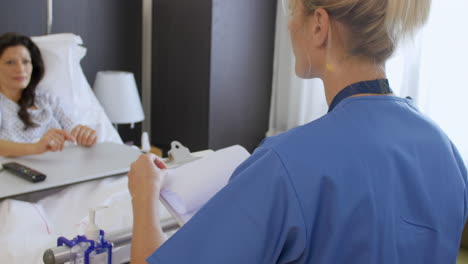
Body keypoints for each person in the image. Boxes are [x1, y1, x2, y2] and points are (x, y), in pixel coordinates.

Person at [128, 0, 468, 263]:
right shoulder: (445, 148)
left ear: (319, 25)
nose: (290, 26)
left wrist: (144, 195)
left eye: (292, 12)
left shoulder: (286, 162)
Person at [0, 32, 97, 157]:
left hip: (63, 166)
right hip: (20, 172)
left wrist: (84, 135)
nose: (20, 69)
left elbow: (72, 128)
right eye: (10, 62)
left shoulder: (45, 98)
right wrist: (36, 148)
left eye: (25, 62)